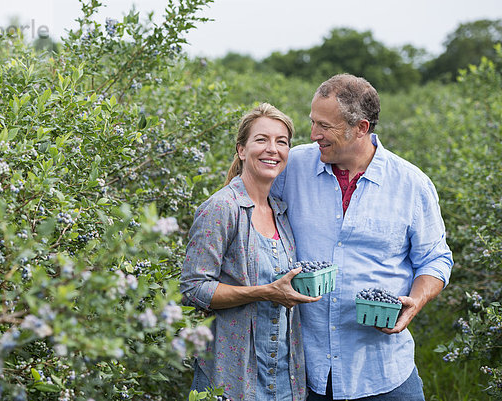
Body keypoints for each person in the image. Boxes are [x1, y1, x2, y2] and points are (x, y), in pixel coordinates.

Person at [271, 74, 454, 400]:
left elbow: (435, 258)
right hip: (307, 370)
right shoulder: (292, 166)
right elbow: (246, 207)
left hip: (383, 370)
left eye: (325, 126)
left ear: (361, 128)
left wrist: (416, 301)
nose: (313, 135)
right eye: (312, 122)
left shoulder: (411, 184)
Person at [181, 103, 321, 401]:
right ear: (242, 150)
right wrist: (263, 292)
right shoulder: (222, 208)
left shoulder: (281, 214)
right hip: (230, 379)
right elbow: (193, 289)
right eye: (261, 140)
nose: (273, 149)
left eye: (281, 142)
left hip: (285, 379)